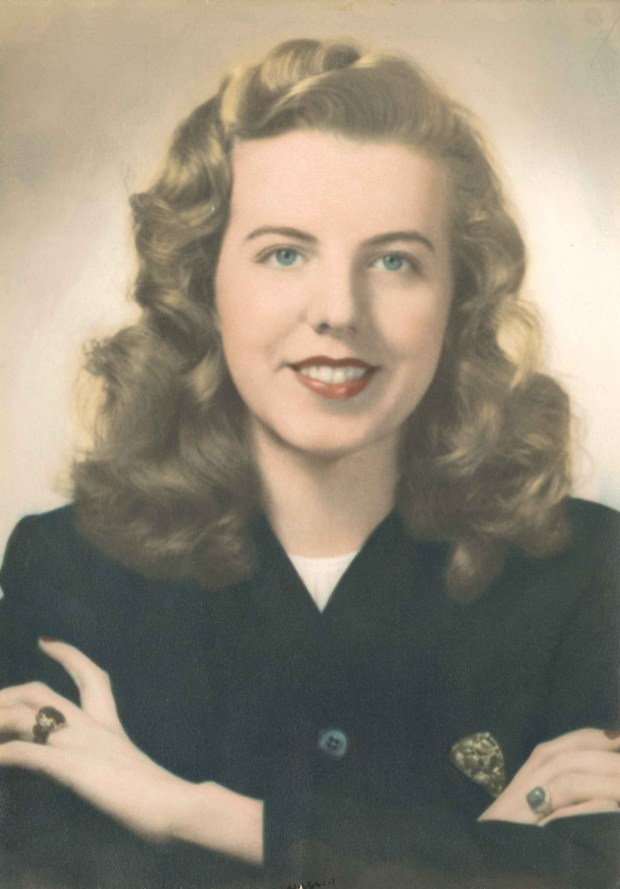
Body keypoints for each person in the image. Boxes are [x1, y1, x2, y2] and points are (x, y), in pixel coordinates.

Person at [0, 38, 618, 889]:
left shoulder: (587, 571)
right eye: (284, 253)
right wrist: (474, 857)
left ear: (460, 296)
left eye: (395, 260)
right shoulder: (69, 569)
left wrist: (182, 809)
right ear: (204, 283)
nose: (339, 311)